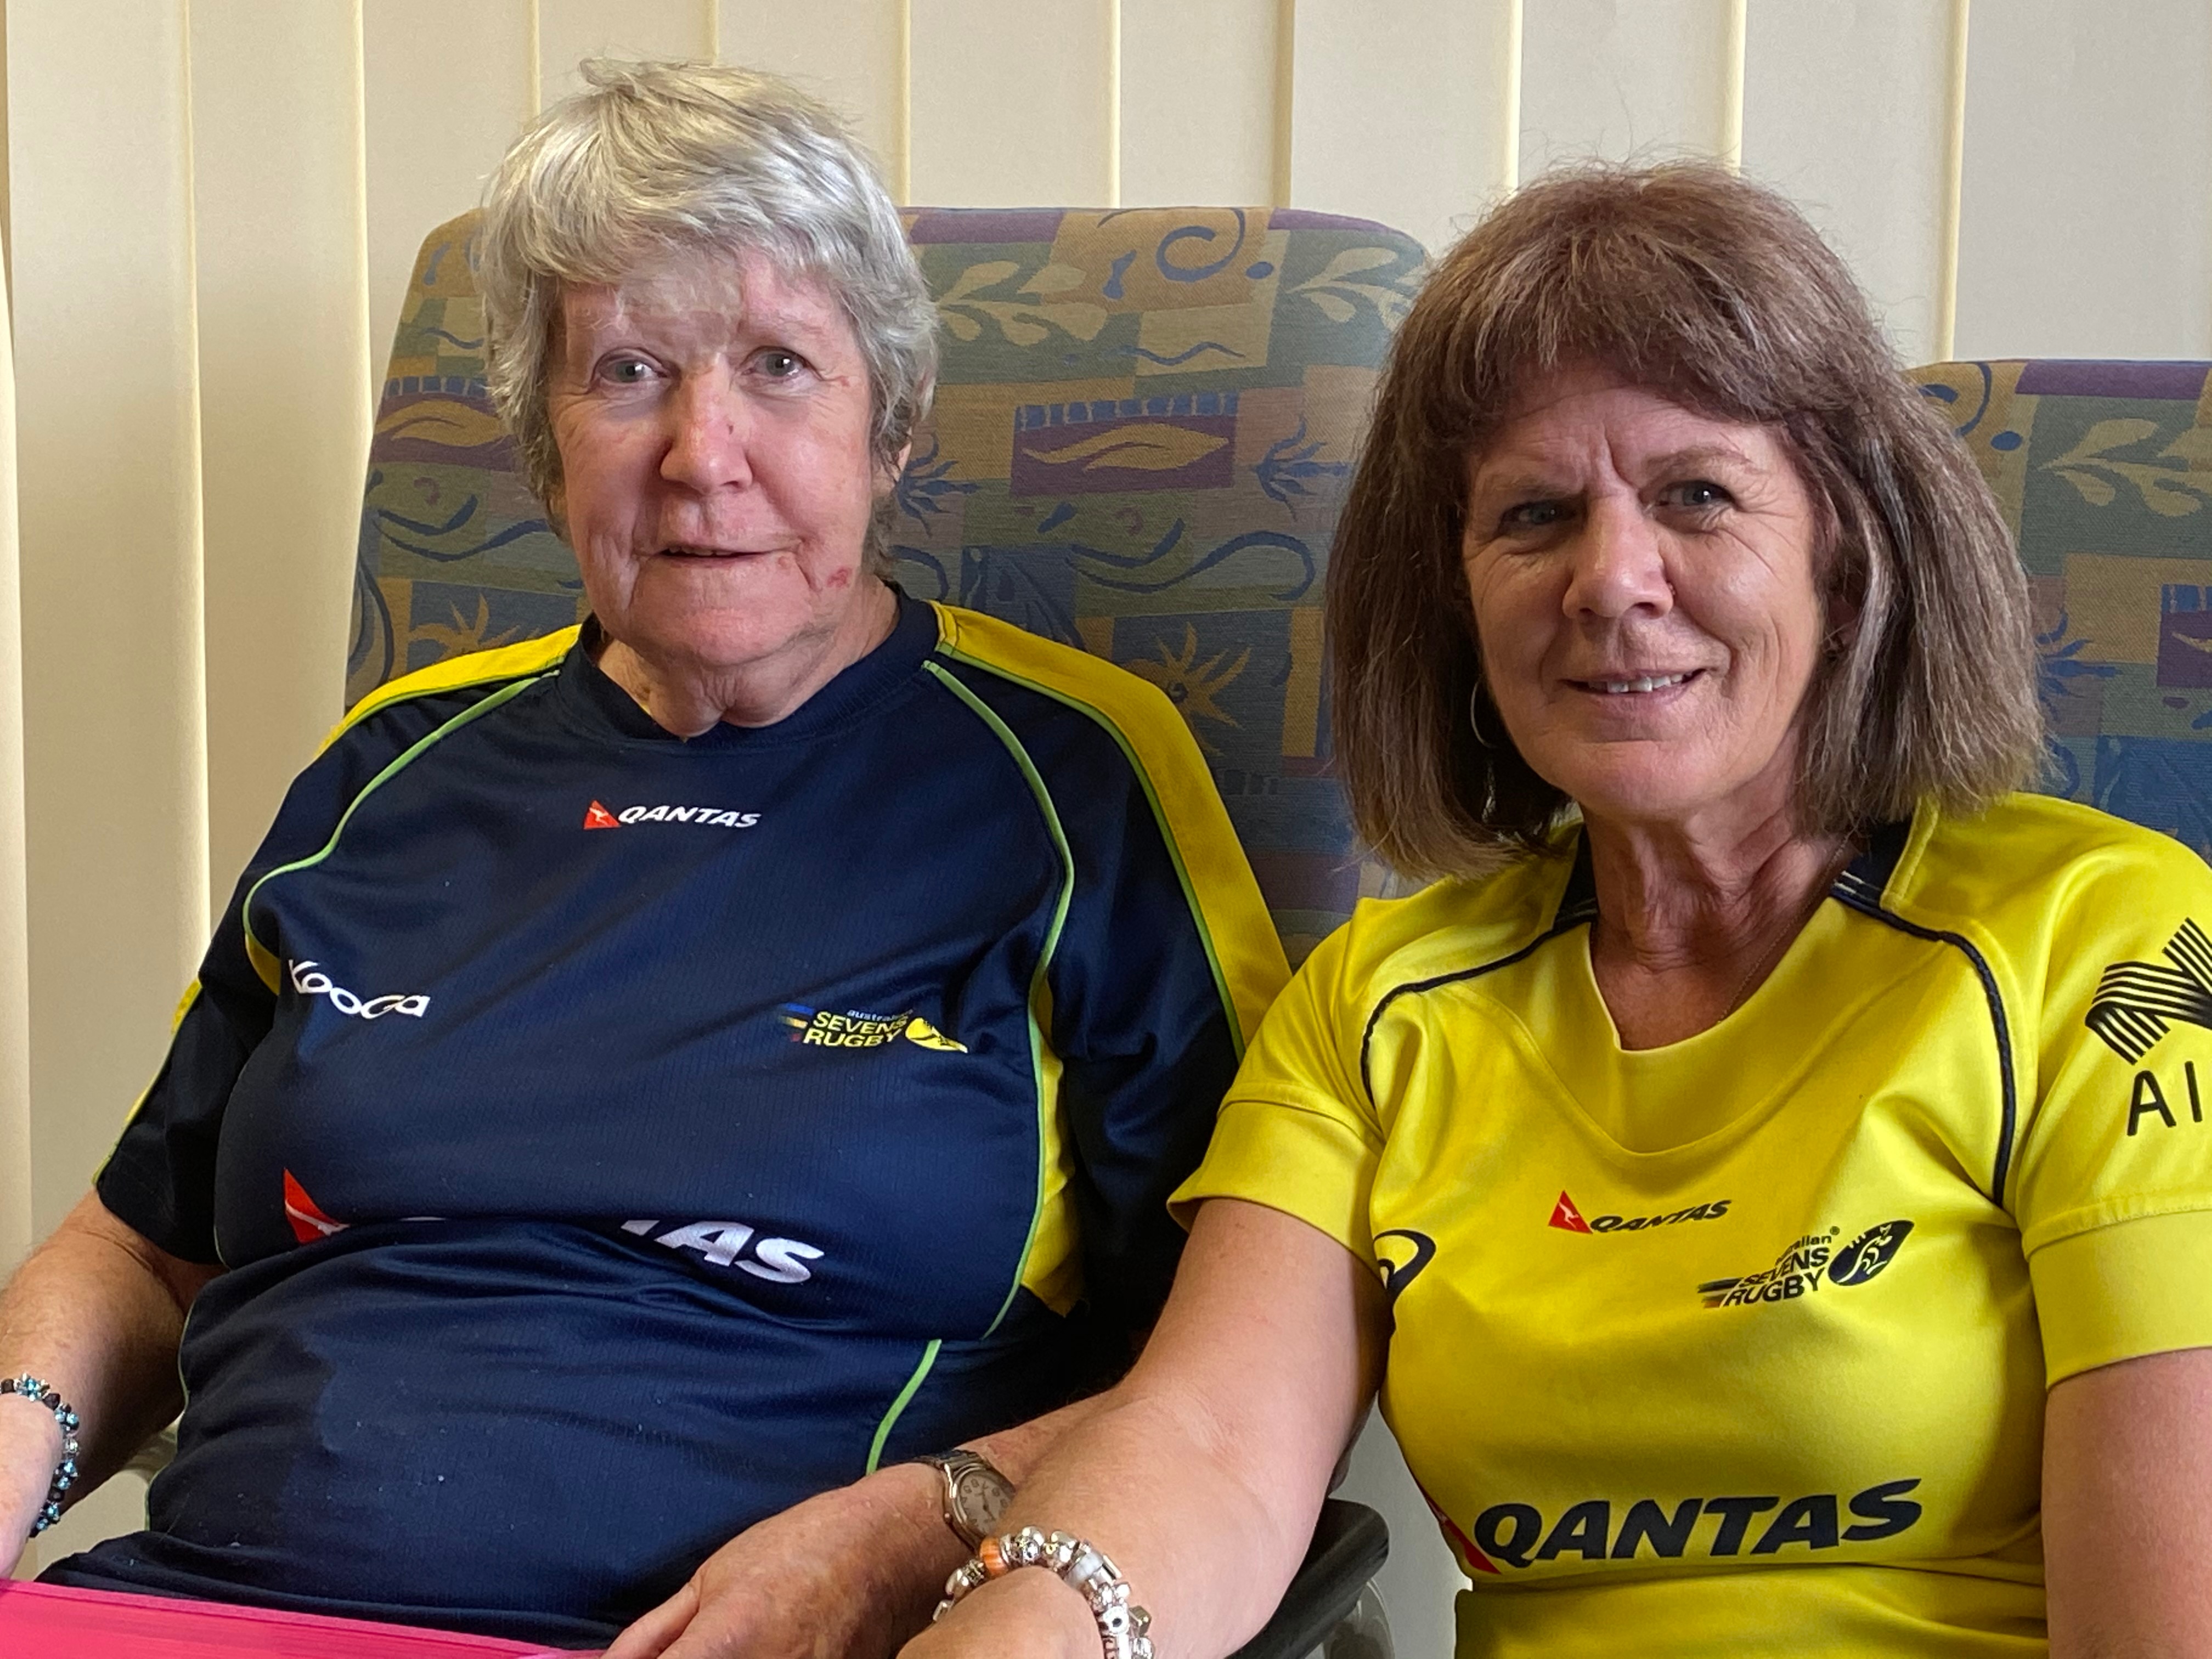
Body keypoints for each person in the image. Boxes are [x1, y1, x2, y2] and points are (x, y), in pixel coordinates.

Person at [0, 60, 1287, 1652]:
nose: (702, 453)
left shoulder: (1072, 777)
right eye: (627, 373)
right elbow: (142, 1243)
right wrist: (19, 1440)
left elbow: (1239, 1379)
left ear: (890, 426)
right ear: (544, 448)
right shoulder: (389, 770)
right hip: (201, 1609)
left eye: (779, 367)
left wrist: (908, 1536)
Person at [905, 163, 2212, 1659]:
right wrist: (1020, 1632)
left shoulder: (2103, 941)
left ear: (1848, 557)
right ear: (1456, 596)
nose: (1611, 581)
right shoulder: (1382, 1002)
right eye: (1534, 515)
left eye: (1697, 495)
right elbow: (1207, 1446)